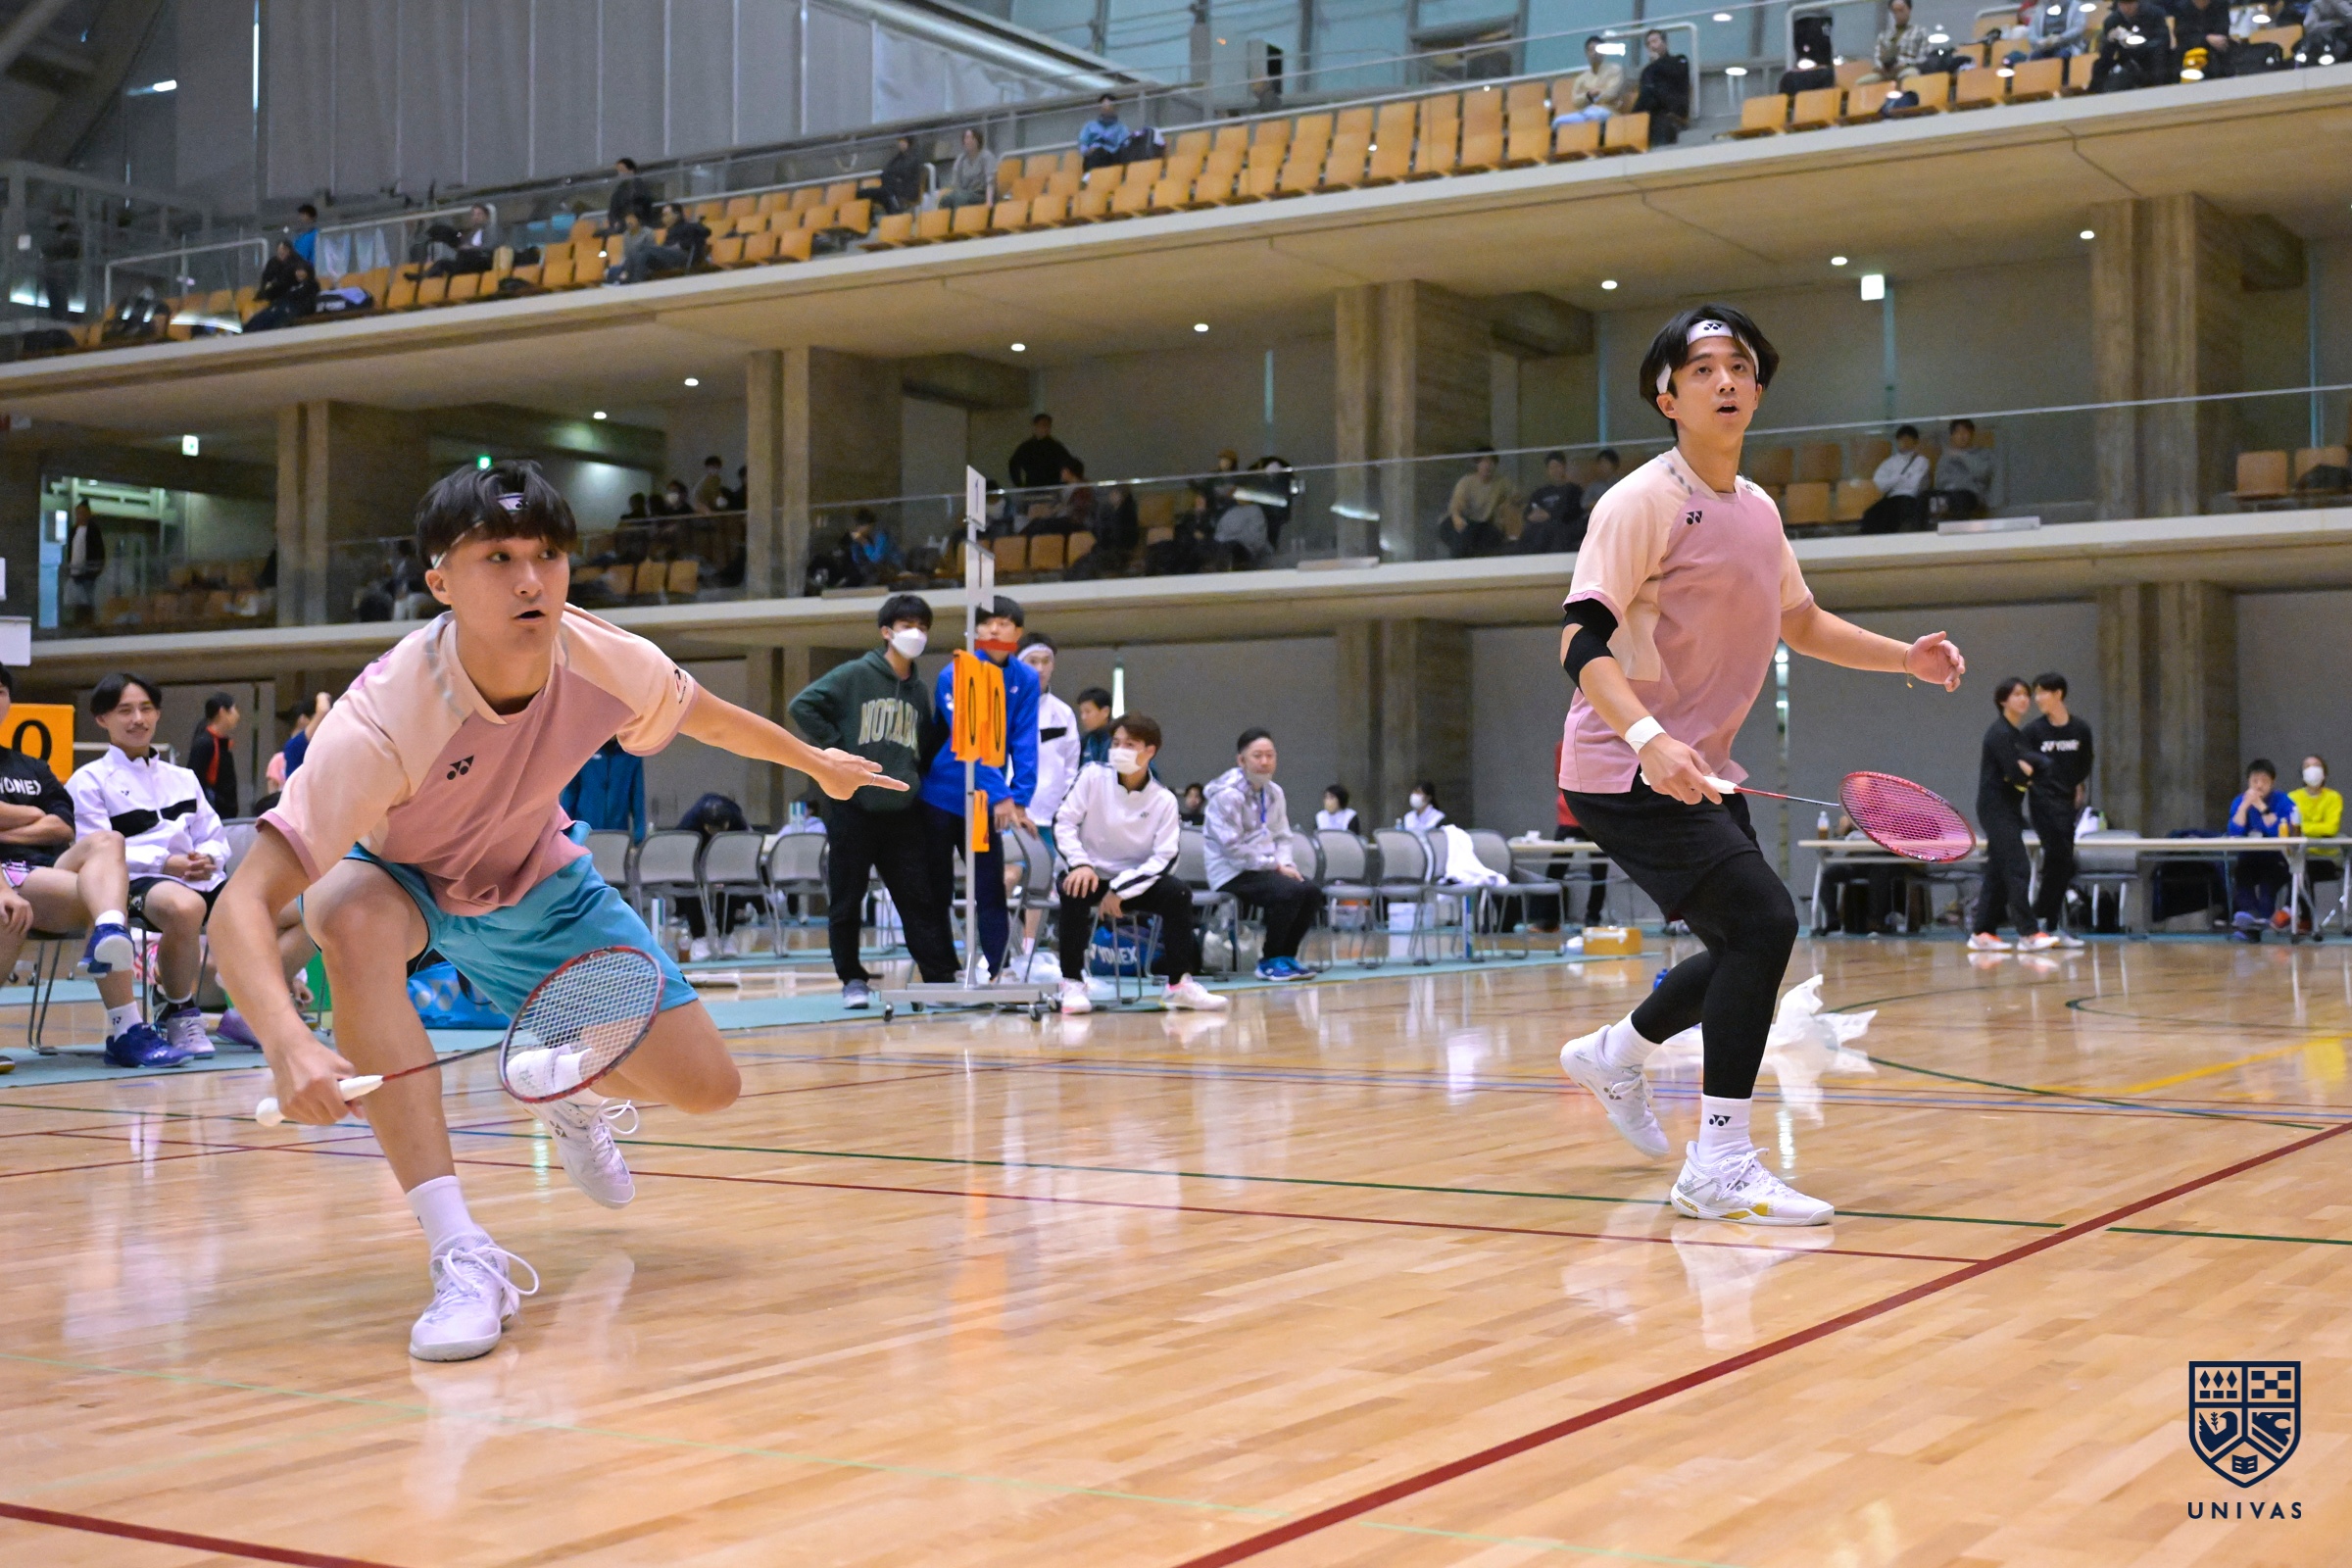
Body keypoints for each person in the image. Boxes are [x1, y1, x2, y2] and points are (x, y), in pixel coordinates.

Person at [213, 459, 897, 1363]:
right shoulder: (382, 720)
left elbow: (710, 716)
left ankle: (565, 1082)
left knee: (710, 1087)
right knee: (347, 915)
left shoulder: (606, 660)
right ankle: (462, 1255)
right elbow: (239, 905)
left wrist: (817, 764)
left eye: (547, 555)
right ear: (440, 582)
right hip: (401, 876)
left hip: (535, 872)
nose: (531, 580)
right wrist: (287, 1042)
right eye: (497, 558)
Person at [1552, 304, 1968, 1228]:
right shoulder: (1641, 502)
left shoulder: (1759, 509)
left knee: (1748, 942)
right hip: (1626, 767)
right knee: (1765, 924)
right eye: (1701, 370)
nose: (1725, 382)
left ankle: (1616, 1054)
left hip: (1700, 767)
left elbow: (1802, 622)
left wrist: (1904, 657)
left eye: (1739, 366)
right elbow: (1579, 641)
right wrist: (1648, 740)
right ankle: (1719, 1163)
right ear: (1667, 397)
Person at [790, 595, 961, 1007]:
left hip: (903, 811)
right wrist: (837, 748)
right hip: (853, 807)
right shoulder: (855, 674)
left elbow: (924, 743)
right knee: (847, 898)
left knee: (918, 897)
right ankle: (852, 979)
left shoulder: (919, 690)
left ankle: (939, 977)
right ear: (886, 631)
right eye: (906, 625)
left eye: (922, 626)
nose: (915, 633)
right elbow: (802, 706)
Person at [0, 666, 172, 1065]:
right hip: (6, 877)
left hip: (43, 874)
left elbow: (63, 826)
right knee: (11, 910)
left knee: (108, 846)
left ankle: (126, 1026)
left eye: (1, 691)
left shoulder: (32, 767)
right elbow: (47, 821)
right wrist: (32, 815)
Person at [71, 673, 233, 1062]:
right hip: (135, 881)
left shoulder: (183, 778)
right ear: (102, 719)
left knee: (296, 910)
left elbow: (213, 833)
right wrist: (165, 863)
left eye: (146, 708)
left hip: (199, 876)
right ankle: (178, 1010)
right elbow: (95, 852)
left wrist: (208, 857)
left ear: (158, 713)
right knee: (185, 907)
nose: (138, 719)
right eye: (124, 711)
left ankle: (248, 1011)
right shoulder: (88, 781)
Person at [1052, 714, 1229, 1014]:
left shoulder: (1164, 800)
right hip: (1090, 873)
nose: (1119, 750)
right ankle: (1071, 982)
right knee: (1073, 887)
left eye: (1130, 745)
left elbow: (1165, 858)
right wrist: (1080, 864)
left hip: (1134, 882)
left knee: (1178, 892)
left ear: (1150, 751)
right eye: (1116, 743)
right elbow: (1063, 821)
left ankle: (1179, 985)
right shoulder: (1092, 776)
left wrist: (1120, 889)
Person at [919, 596, 1039, 980]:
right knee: (937, 888)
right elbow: (968, 742)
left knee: (989, 886)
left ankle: (999, 968)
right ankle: (942, 971)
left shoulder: (1025, 678)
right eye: (986, 623)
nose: (994, 629)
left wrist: (1020, 798)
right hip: (940, 797)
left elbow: (1024, 740)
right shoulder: (955, 673)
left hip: (983, 803)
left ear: (1017, 632)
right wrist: (1003, 795)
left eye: (1003, 623)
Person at [1204, 729, 1320, 982]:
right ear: (1241, 760)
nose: (1265, 761)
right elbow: (1232, 848)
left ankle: (1286, 956)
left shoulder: (1274, 792)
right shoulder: (1226, 796)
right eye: (1257, 756)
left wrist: (1285, 863)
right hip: (1231, 871)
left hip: (1266, 869)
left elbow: (1283, 836)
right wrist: (1276, 866)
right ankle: (1269, 961)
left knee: (1311, 892)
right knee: (1289, 892)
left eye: (1270, 755)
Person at [2022, 670, 2092, 948]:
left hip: (2066, 804)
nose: (2038, 698)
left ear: (2058, 694)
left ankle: (2047, 922)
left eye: (2042, 692)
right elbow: (2024, 765)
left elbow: (2084, 763)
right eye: (2036, 693)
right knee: (2057, 856)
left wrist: (2072, 785)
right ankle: (2042, 920)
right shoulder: (2033, 732)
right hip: (2042, 803)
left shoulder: (2080, 730)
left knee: (2062, 862)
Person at [1968, 677, 2038, 952]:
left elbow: (2031, 768)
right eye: (2017, 694)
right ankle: (2028, 933)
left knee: (1997, 872)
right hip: (1995, 808)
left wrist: (2027, 770)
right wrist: (2026, 772)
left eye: (2026, 694)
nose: (2024, 699)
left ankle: (1982, 932)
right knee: (2018, 867)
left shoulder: (2017, 735)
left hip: (2009, 808)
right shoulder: (1999, 733)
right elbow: (2016, 772)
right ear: (2003, 700)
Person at [2226, 759, 2297, 940]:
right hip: (2249, 858)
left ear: (2272, 782)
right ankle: (2250, 918)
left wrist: (2262, 808)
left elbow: (2279, 833)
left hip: (2277, 859)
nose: (2259, 786)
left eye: (2264, 781)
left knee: (2267, 886)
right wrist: (2244, 807)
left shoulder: (2283, 801)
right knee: (2241, 874)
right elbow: (2234, 832)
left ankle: (2259, 923)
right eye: (2254, 781)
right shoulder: (2239, 801)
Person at [559, 736, 648, 840]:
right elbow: (571, 793)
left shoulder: (631, 755)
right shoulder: (585, 750)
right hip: (585, 831)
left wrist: (639, 837)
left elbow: (637, 797)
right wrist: (563, 831)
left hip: (617, 832)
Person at [2289, 756, 2340, 935]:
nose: (2312, 770)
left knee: (2303, 870)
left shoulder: (2333, 797)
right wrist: (2316, 828)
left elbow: (2330, 828)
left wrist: (2303, 828)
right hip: (2298, 855)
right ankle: (2289, 914)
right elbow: (2291, 826)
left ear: (2324, 772)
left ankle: (2305, 918)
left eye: (2316, 765)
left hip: (2326, 858)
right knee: (2291, 869)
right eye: (2307, 766)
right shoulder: (2292, 797)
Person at [1440, 448, 1513, 559]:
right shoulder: (1466, 481)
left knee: (1494, 538)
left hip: (1482, 526)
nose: (1487, 465)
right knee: (1463, 536)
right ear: (1477, 464)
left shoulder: (1501, 482)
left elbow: (1516, 497)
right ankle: (1456, 566)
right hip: (1460, 521)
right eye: (1483, 461)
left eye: (1490, 461)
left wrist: (1507, 507)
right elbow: (1456, 503)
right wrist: (1456, 517)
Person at [1862, 425, 1933, 534]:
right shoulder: (1890, 462)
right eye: (1902, 440)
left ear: (1915, 442)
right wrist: (1899, 479)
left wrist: (1893, 481)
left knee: (1898, 511)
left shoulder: (1921, 461)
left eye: (1908, 439)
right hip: (1891, 499)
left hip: (1910, 499)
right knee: (1870, 514)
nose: (1904, 443)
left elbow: (1914, 485)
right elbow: (1879, 484)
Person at [2093, 0, 2176, 89]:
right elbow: (2106, 54)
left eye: (2130, 4)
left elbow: (2163, 39)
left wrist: (2142, 45)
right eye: (2123, 4)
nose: (2127, 8)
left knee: (2161, 57)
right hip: (2126, 60)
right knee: (2100, 67)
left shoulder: (2154, 13)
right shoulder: (2112, 21)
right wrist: (2110, 40)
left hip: (2152, 57)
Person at [1631, 28, 1692, 142]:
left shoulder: (1679, 60)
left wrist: (1657, 62)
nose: (1652, 46)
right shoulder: (1647, 70)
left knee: (1649, 96)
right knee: (1647, 94)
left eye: (1654, 41)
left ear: (1665, 42)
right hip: (1653, 107)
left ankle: (1633, 116)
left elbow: (1676, 75)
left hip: (1672, 104)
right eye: (1648, 44)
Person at [1520, 451, 1588, 555]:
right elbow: (1528, 513)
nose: (1555, 470)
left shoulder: (1573, 489)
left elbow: (1571, 512)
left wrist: (1550, 515)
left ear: (1564, 467)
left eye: (1557, 466)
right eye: (1551, 468)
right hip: (1539, 529)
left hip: (1562, 529)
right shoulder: (1540, 492)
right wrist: (1533, 516)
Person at [1929, 417, 1995, 521]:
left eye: (1965, 432)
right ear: (1952, 436)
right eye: (1957, 432)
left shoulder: (1983, 453)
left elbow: (1982, 474)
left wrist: (1961, 455)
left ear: (1972, 434)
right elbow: (1939, 482)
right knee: (1924, 497)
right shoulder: (1946, 457)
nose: (1961, 436)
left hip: (1971, 495)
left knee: (1959, 497)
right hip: (1948, 494)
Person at [189, 692, 241, 818]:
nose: (237, 715)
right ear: (222, 711)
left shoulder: (220, 742)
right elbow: (195, 782)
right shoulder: (205, 743)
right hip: (212, 817)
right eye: (234, 709)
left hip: (224, 815)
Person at [1553, 36, 1627, 123]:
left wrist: (1597, 94)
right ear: (1586, 54)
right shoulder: (1581, 79)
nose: (1595, 53)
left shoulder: (1615, 70)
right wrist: (1588, 95)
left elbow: (1612, 93)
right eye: (1591, 50)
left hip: (1608, 112)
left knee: (1594, 114)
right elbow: (1576, 101)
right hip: (1587, 113)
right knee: (1558, 122)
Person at [1857, 0, 1933, 84]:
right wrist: (1881, 67)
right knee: (1862, 82)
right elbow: (1877, 57)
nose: (1898, 14)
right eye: (1895, 11)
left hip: (1908, 69)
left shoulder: (1920, 32)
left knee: (1909, 75)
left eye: (1901, 10)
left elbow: (1925, 58)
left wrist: (1906, 65)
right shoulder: (1884, 36)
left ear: (1909, 9)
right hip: (1886, 72)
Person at [1008, 414, 1077, 493]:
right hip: (1033, 488)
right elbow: (1013, 465)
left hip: (1053, 488)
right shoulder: (1026, 447)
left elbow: (1068, 464)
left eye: (1048, 426)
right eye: (1042, 425)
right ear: (1035, 426)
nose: (1045, 428)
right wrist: (1020, 485)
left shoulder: (1056, 447)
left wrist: (1062, 485)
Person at [859, 136, 925, 217]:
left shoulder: (913, 156)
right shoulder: (900, 156)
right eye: (899, 141)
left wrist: (892, 175)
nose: (900, 144)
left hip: (904, 191)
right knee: (865, 194)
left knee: (881, 195)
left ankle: (895, 213)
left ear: (909, 142)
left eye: (903, 141)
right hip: (892, 189)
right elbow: (888, 170)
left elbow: (901, 171)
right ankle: (891, 215)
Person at [279, 691, 332, 783]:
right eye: (314, 718)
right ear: (302, 719)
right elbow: (324, 710)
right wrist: (322, 696)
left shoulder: (294, 744)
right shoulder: (295, 744)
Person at [941, 128, 998, 210]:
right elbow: (955, 183)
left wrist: (989, 201)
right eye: (966, 138)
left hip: (981, 194)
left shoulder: (987, 157)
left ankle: (960, 217)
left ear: (977, 140)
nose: (967, 141)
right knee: (946, 199)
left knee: (961, 198)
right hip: (965, 193)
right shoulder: (961, 159)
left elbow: (990, 181)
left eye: (971, 138)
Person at [1078, 95, 1131, 170]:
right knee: (1097, 153)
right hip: (1093, 156)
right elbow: (1083, 144)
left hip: (1112, 157)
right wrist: (1088, 151)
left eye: (1109, 105)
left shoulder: (1121, 128)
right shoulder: (1089, 126)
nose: (1106, 108)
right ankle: (1090, 174)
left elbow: (1125, 145)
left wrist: (1109, 149)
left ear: (1115, 108)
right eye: (1104, 105)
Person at [607, 158, 655, 231]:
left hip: (641, 225)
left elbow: (646, 207)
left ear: (631, 170)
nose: (620, 173)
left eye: (622, 170)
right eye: (618, 171)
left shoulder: (642, 186)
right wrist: (615, 222)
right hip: (622, 227)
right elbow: (612, 211)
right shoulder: (618, 191)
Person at [1075, 687, 1114, 767]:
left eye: (1088, 712)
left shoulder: (1119, 741)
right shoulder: (1084, 741)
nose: (1083, 717)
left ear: (1105, 712)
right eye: (1082, 712)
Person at [1583, 448, 1622, 514]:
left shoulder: (1621, 485)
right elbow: (1584, 504)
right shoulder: (1594, 486)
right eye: (1600, 463)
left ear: (1614, 465)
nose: (1602, 466)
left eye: (1606, 463)